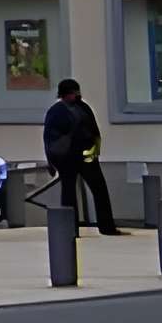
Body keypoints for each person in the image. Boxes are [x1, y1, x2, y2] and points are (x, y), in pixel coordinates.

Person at [41, 78, 122, 235]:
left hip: (82, 157)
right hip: (70, 159)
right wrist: (51, 162)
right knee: (74, 193)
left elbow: (93, 131)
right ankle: (73, 229)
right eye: (73, 93)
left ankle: (99, 227)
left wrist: (95, 151)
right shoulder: (64, 111)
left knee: (94, 190)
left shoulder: (75, 108)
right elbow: (50, 138)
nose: (76, 95)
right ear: (65, 94)